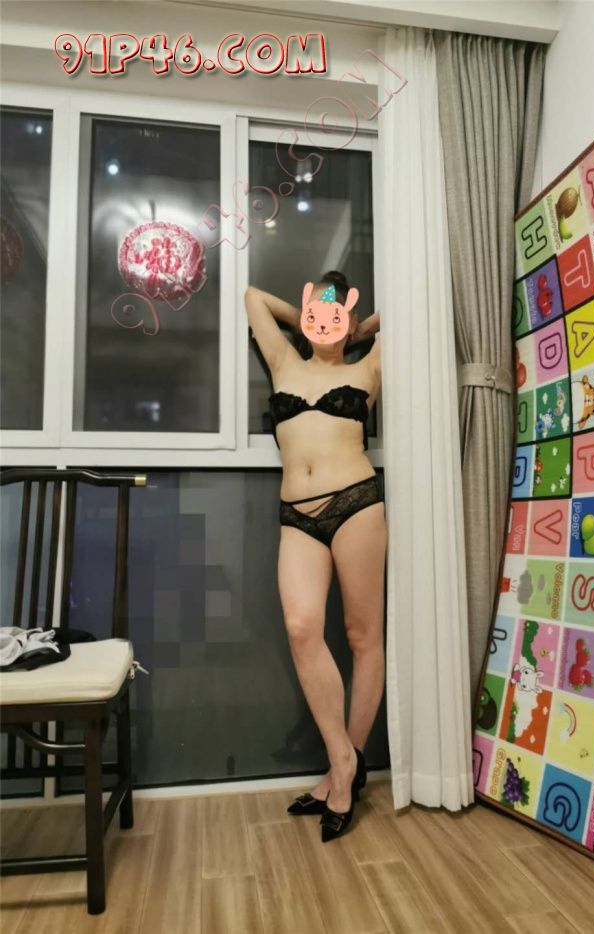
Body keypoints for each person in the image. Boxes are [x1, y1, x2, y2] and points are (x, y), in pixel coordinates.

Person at [244, 271, 385, 841]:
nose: (326, 320)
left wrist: (361, 328)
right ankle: (345, 758)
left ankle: (340, 774)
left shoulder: (368, 367)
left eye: (336, 312)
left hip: (356, 503)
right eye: (316, 311)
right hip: (296, 515)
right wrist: (310, 310)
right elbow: (254, 298)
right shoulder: (283, 360)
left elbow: (410, 314)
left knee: (361, 636)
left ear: (349, 321)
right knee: (302, 628)